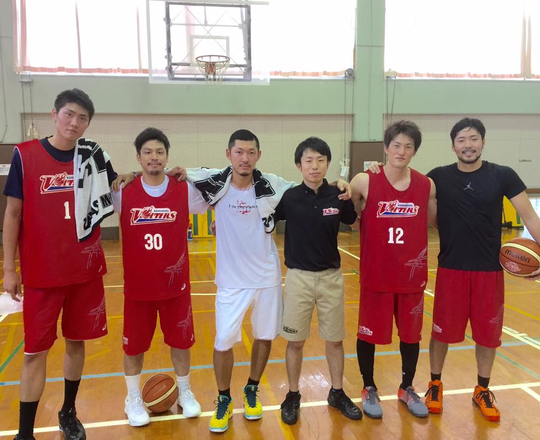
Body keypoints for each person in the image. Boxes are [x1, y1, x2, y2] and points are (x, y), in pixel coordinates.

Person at [2, 89, 127, 440]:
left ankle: (68, 412)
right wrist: (9, 269)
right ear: (54, 114)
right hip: (42, 274)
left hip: (85, 271)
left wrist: (148, 174)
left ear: (88, 123)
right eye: (69, 114)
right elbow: (12, 214)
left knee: (76, 343)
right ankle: (24, 433)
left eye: (82, 118)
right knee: (34, 352)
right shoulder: (25, 155)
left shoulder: (93, 155)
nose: (74, 123)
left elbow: (118, 186)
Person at [424, 118, 540, 422]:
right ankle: (435, 384)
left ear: (483, 142)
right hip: (451, 268)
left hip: (489, 271)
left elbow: (530, 216)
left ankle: (482, 389)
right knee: (440, 333)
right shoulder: (438, 177)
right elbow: (420, 203)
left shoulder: (503, 175)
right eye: (461, 140)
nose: (468, 145)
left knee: (488, 336)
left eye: (474, 139)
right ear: (453, 146)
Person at [186, 129, 296, 433]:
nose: (245, 158)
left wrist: (341, 184)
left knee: (264, 336)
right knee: (223, 341)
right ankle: (223, 398)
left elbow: (307, 188)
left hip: (266, 277)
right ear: (229, 154)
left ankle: (251, 388)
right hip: (231, 281)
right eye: (239, 152)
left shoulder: (272, 184)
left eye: (250, 152)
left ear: (258, 155)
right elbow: (174, 176)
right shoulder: (215, 185)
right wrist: (132, 175)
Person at [112, 128, 208, 426]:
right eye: (148, 152)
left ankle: (184, 391)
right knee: (134, 347)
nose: (154, 157)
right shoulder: (122, 191)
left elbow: (217, 185)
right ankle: (132, 398)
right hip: (138, 287)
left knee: (181, 342)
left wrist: (191, 173)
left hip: (175, 286)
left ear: (167, 156)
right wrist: (129, 175)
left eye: (159, 152)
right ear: (138, 157)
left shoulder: (184, 189)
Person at [350, 120, 437, 419]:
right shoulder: (365, 181)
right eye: (396, 145)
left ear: (415, 151)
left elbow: (437, 222)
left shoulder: (426, 185)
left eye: (408, 146)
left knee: (411, 336)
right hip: (377, 275)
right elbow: (348, 213)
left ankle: (406, 387)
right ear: (386, 148)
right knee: (368, 334)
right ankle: (368, 387)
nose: (401, 151)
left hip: (411, 277)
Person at [274, 137, 361, 425]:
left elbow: (354, 220)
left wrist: (347, 186)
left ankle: (336, 392)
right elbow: (263, 218)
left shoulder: (338, 195)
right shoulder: (288, 197)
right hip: (298, 278)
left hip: (331, 278)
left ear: (327, 163)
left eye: (320, 160)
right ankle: (293, 394)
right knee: (295, 342)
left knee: (335, 341)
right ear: (298, 165)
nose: (315, 166)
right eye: (308, 160)